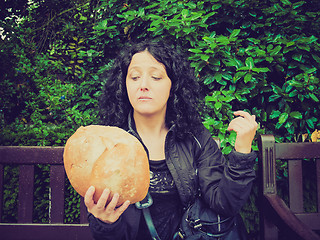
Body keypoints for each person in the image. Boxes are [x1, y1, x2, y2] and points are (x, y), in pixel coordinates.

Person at [84, 40, 258, 240]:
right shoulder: (107, 144)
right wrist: (105, 223)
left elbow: (225, 203)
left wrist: (242, 151)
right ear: (124, 85)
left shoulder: (195, 137)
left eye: (156, 77)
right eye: (134, 77)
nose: (143, 85)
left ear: (173, 85)